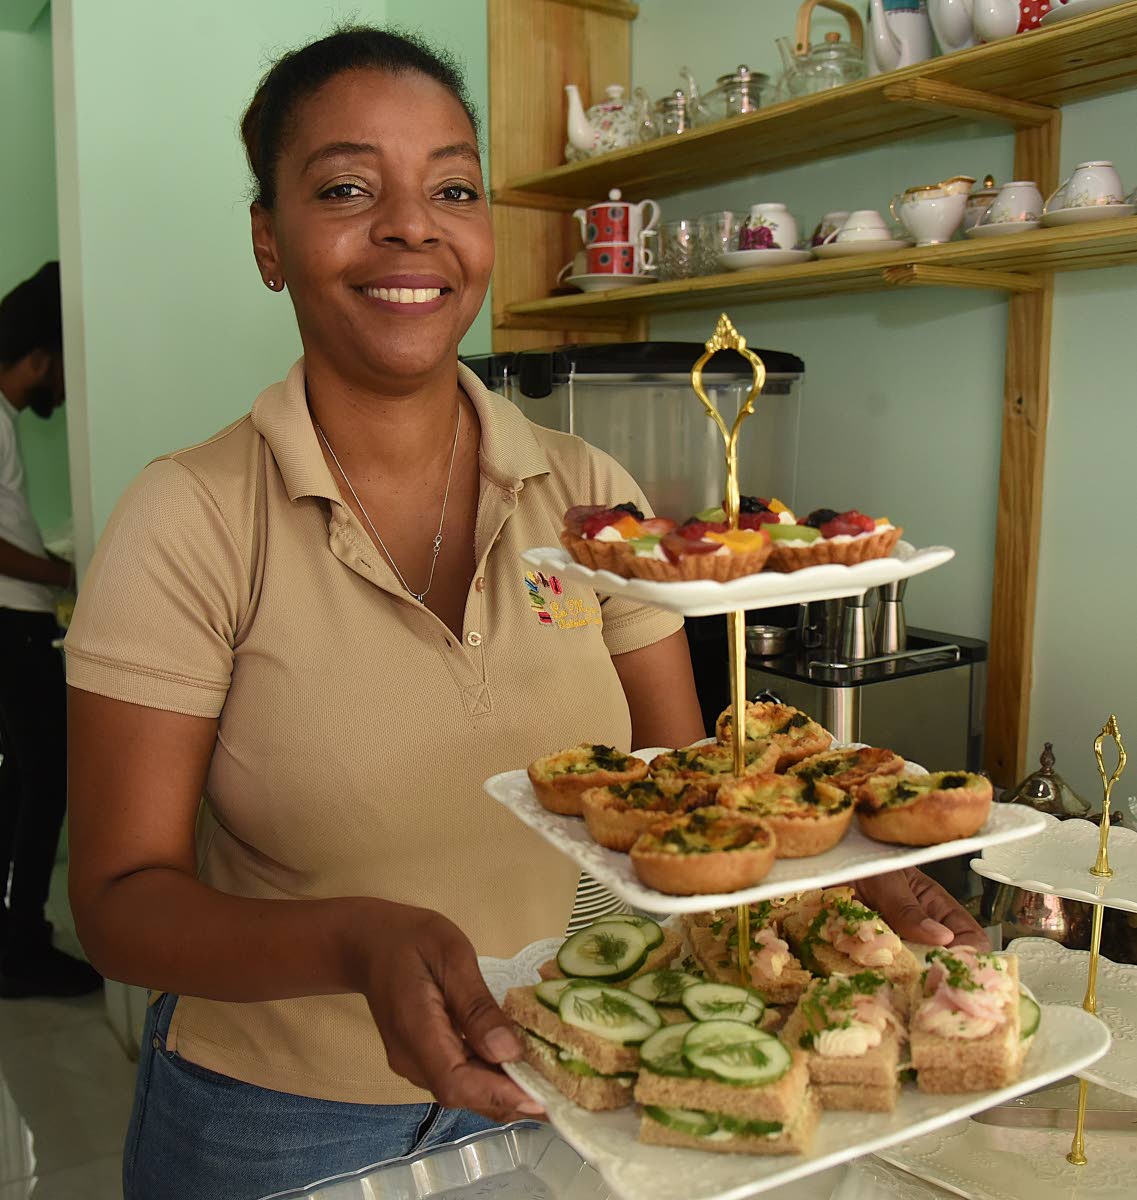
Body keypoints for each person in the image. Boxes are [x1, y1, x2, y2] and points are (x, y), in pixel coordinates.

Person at [63, 27, 987, 1200]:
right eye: (349, 189)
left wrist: (839, 868)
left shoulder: (592, 494)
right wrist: (356, 942)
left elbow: (686, 775)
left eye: (453, 187)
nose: (412, 226)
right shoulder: (191, 516)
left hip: (571, 1059)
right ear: (268, 241)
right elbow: (119, 903)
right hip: (280, 1121)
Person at [0, 262, 100, 998]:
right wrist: (65, 574)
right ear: (38, 358)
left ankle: (19, 936)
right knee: (39, 787)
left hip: (18, 621)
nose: (62, 389)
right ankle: (19, 943)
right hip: (12, 626)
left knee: (31, 787)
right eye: (62, 368)